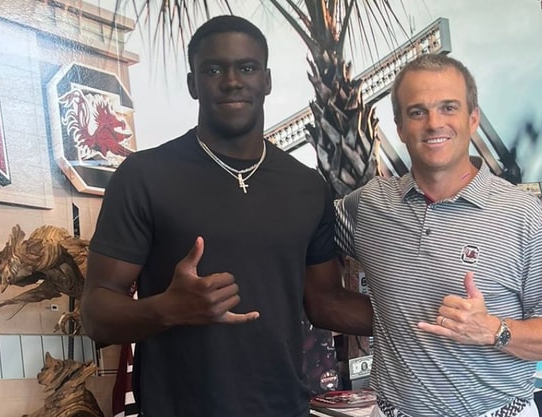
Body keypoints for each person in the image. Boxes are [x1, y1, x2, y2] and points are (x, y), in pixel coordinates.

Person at [81, 15, 371, 417]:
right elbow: (96, 314)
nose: (232, 81)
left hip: (284, 407)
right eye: (214, 69)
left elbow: (324, 302)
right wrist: (167, 308)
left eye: (247, 68)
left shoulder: (307, 187)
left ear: (266, 80)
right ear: (192, 83)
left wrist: (415, 317)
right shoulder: (145, 176)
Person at [334, 53, 542, 417]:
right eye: (418, 112)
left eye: (449, 108)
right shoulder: (369, 205)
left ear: (472, 118)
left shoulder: (523, 215)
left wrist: (495, 330)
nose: (434, 123)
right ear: (399, 127)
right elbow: (300, 235)